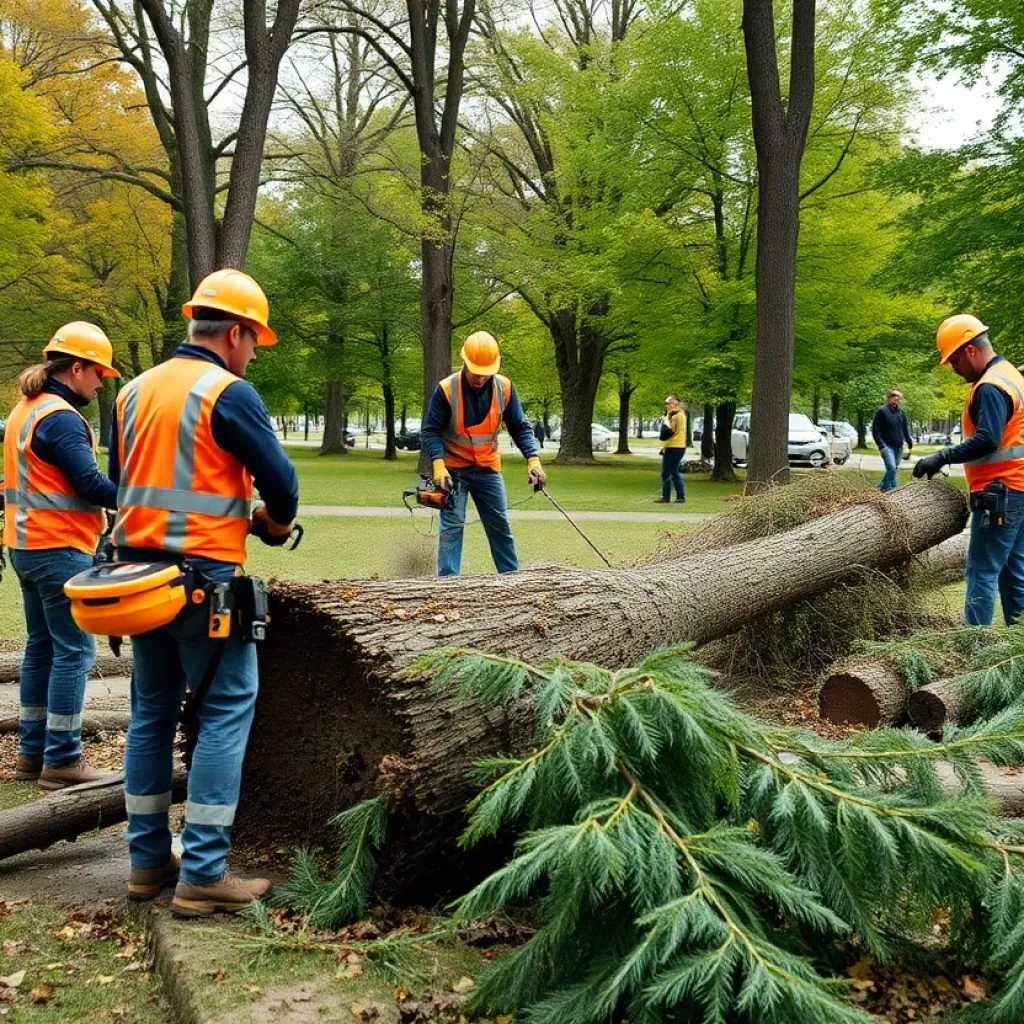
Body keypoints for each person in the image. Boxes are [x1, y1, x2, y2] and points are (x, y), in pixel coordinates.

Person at [110, 269, 299, 917]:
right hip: (204, 586)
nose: (252, 354)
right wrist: (270, 524)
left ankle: (145, 861)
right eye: (254, 342)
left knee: (151, 713)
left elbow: (132, 484)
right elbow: (284, 489)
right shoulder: (229, 392)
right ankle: (205, 871)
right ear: (237, 331)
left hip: (138, 583)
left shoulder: (132, 392)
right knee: (225, 707)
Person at [3, 323, 120, 790]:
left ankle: (32, 755)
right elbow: (90, 485)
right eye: (98, 374)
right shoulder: (62, 418)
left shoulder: (24, 410)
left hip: (26, 548)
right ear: (77, 368)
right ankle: (64, 759)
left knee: (41, 649)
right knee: (74, 652)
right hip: (60, 548)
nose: (101, 383)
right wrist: (144, 497)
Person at [913, 314, 1024, 626]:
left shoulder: (990, 387)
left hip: (999, 493)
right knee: (1013, 571)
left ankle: (973, 647)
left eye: (955, 359)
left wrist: (941, 457)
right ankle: (1016, 646)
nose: (953, 367)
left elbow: (988, 439)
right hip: (1018, 488)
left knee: (981, 572)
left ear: (972, 350)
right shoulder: (1011, 376)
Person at [421, 331, 545, 576]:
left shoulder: (505, 388)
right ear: (464, 361)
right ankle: (448, 586)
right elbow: (430, 430)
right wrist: (438, 465)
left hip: (488, 469)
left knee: (500, 526)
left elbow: (520, 426)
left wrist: (533, 458)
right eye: (475, 371)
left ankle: (511, 580)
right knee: (451, 528)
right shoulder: (446, 390)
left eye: (484, 372)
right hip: (453, 470)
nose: (479, 377)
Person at [871, 389, 913, 492]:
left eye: (898, 397)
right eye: (893, 396)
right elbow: (875, 430)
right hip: (887, 446)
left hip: (899, 446)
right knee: (892, 468)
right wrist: (881, 445)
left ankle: (881, 488)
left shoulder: (901, 413)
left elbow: (905, 429)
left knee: (892, 470)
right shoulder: (882, 411)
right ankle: (890, 490)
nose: (896, 398)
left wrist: (909, 441)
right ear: (889, 398)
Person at [656, 396, 686, 504]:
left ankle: (667, 496)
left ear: (676, 404)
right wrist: (667, 417)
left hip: (674, 447)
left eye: (670, 404)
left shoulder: (677, 417)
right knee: (674, 471)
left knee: (666, 472)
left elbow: (666, 433)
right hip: (676, 447)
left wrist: (665, 421)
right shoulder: (679, 415)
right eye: (667, 404)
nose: (668, 406)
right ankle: (680, 496)